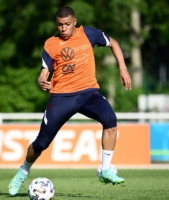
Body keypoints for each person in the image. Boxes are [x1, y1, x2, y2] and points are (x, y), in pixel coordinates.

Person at [8, 6, 132, 196]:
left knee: (110, 121)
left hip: (89, 93)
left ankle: (106, 170)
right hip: (62, 97)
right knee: (41, 143)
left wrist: (123, 68)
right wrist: (41, 80)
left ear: (75, 21)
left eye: (67, 24)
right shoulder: (51, 44)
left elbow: (113, 43)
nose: (63, 28)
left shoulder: (89, 34)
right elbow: (43, 73)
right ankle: (23, 171)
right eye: (59, 25)